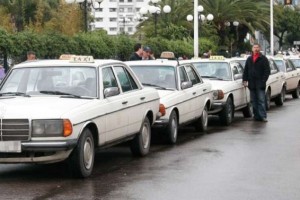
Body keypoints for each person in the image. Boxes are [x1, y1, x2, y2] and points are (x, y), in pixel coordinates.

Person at [242, 43, 270, 122]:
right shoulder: (249, 59)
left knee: (261, 100)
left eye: (257, 47)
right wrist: (245, 80)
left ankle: (263, 116)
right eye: (254, 47)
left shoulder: (263, 59)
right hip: (252, 84)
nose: (256, 49)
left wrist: (263, 80)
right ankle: (256, 115)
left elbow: (267, 71)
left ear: (259, 48)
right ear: (252, 49)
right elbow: (246, 70)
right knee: (253, 101)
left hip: (260, 84)